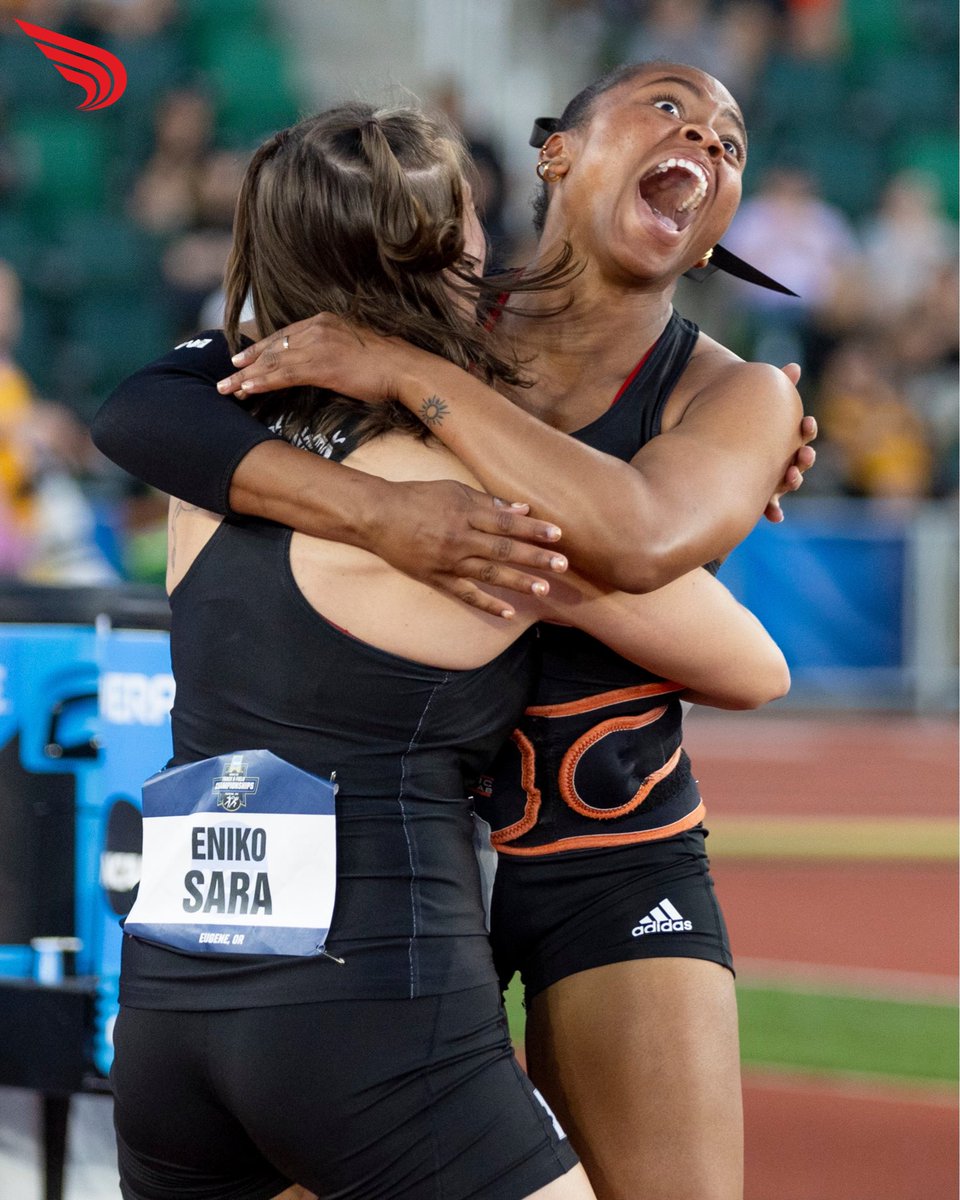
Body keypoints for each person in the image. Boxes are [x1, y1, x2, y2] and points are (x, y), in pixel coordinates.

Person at [93, 64, 812, 1200]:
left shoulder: (737, 396)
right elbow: (143, 407)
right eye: (670, 108)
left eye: (732, 138)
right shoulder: (435, 297)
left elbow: (643, 543)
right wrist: (386, 517)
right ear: (556, 154)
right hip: (395, 859)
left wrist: (407, 392)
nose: (707, 140)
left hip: (599, 856)